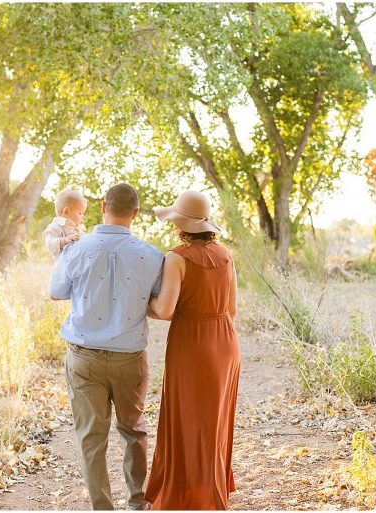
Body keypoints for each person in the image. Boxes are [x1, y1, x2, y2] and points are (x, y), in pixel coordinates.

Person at [50, 183, 164, 510]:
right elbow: (158, 302)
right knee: (134, 431)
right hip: (129, 359)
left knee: (91, 439)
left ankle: (102, 508)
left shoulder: (76, 249)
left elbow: (56, 291)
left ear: (103, 206)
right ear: (135, 213)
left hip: (84, 358)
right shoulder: (152, 255)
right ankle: (138, 503)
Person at [144, 190, 241, 510]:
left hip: (191, 344)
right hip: (225, 342)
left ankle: (185, 492)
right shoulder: (226, 255)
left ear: (180, 224)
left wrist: (141, 302)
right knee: (213, 421)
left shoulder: (176, 257)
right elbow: (232, 309)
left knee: (186, 416)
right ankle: (211, 488)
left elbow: (166, 310)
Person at [44, 187, 87, 261]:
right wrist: (64, 241)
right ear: (66, 211)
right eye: (80, 213)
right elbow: (49, 244)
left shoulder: (78, 229)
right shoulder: (55, 227)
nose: (83, 216)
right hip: (63, 268)